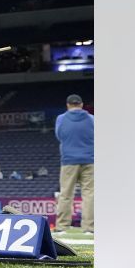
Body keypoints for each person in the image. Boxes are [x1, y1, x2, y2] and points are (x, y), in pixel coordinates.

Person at [54, 94, 94, 234]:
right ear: (82, 105)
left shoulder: (61, 119)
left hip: (69, 161)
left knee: (66, 194)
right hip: (90, 160)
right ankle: (89, 228)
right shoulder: (91, 119)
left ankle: (62, 227)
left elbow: (59, 136)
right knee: (89, 194)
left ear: (68, 105)